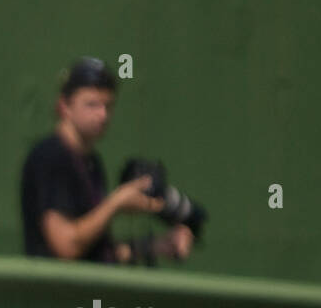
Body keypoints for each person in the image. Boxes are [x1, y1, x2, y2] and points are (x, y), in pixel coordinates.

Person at [20, 57, 192, 264]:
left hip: (87, 295)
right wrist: (116, 202)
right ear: (64, 106)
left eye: (107, 106)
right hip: (55, 294)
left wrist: (157, 245)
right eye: (92, 104)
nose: (102, 115)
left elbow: (97, 256)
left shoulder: (92, 162)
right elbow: (66, 246)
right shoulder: (49, 157)